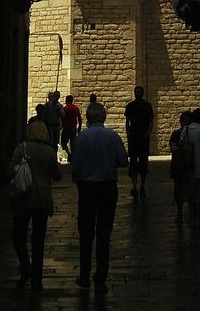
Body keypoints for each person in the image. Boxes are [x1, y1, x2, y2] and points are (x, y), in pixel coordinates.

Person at [71, 101, 128, 291]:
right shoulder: (112, 136)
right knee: (104, 234)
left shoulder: (81, 138)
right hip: (107, 189)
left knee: (86, 234)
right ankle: (101, 278)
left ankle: (84, 275)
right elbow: (123, 161)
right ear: (103, 117)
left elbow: (76, 166)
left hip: (87, 190)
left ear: (87, 118)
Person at [8, 115, 61, 299]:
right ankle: (37, 281)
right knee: (38, 241)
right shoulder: (48, 151)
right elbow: (57, 174)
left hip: (23, 199)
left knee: (19, 237)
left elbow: (9, 170)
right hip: (42, 201)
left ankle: (25, 267)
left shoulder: (21, 148)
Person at [124, 84, 154, 201]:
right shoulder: (130, 106)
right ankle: (135, 187)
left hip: (143, 136)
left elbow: (151, 121)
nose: (137, 94)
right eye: (136, 92)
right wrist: (128, 134)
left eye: (139, 92)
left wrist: (148, 132)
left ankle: (141, 186)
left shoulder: (147, 106)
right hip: (134, 136)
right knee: (133, 162)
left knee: (143, 162)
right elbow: (127, 122)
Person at [168, 110, 192, 224]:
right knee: (178, 189)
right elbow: (173, 148)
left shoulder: (192, 134)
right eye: (184, 120)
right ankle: (179, 211)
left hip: (189, 166)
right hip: (179, 166)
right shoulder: (176, 134)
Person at [61, 94, 82, 159]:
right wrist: (79, 127)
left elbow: (62, 118)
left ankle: (69, 154)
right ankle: (73, 156)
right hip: (73, 128)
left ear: (67, 100)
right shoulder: (76, 108)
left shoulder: (65, 108)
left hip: (66, 128)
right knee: (73, 144)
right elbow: (79, 118)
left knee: (63, 142)